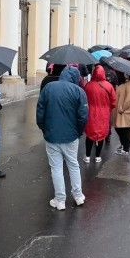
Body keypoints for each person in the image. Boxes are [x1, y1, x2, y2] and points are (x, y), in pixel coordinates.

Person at [36, 66, 88, 210]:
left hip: (52, 135)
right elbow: (83, 116)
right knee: (73, 165)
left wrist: (43, 128)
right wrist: (78, 132)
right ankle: (78, 196)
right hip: (71, 136)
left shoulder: (49, 88)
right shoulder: (79, 91)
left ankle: (60, 200)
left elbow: (40, 110)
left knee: (56, 168)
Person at [83, 65, 116, 163]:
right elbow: (114, 101)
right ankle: (97, 156)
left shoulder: (88, 85)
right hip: (104, 114)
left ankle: (88, 156)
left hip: (91, 113)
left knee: (89, 134)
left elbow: (83, 99)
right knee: (101, 135)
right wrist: (108, 108)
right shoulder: (109, 86)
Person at [113, 74, 130, 156]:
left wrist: (123, 108)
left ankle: (126, 149)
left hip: (126, 111)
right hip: (125, 110)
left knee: (124, 129)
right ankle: (124, 145)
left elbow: (129, 99)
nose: (125, 74)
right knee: (121, 128)